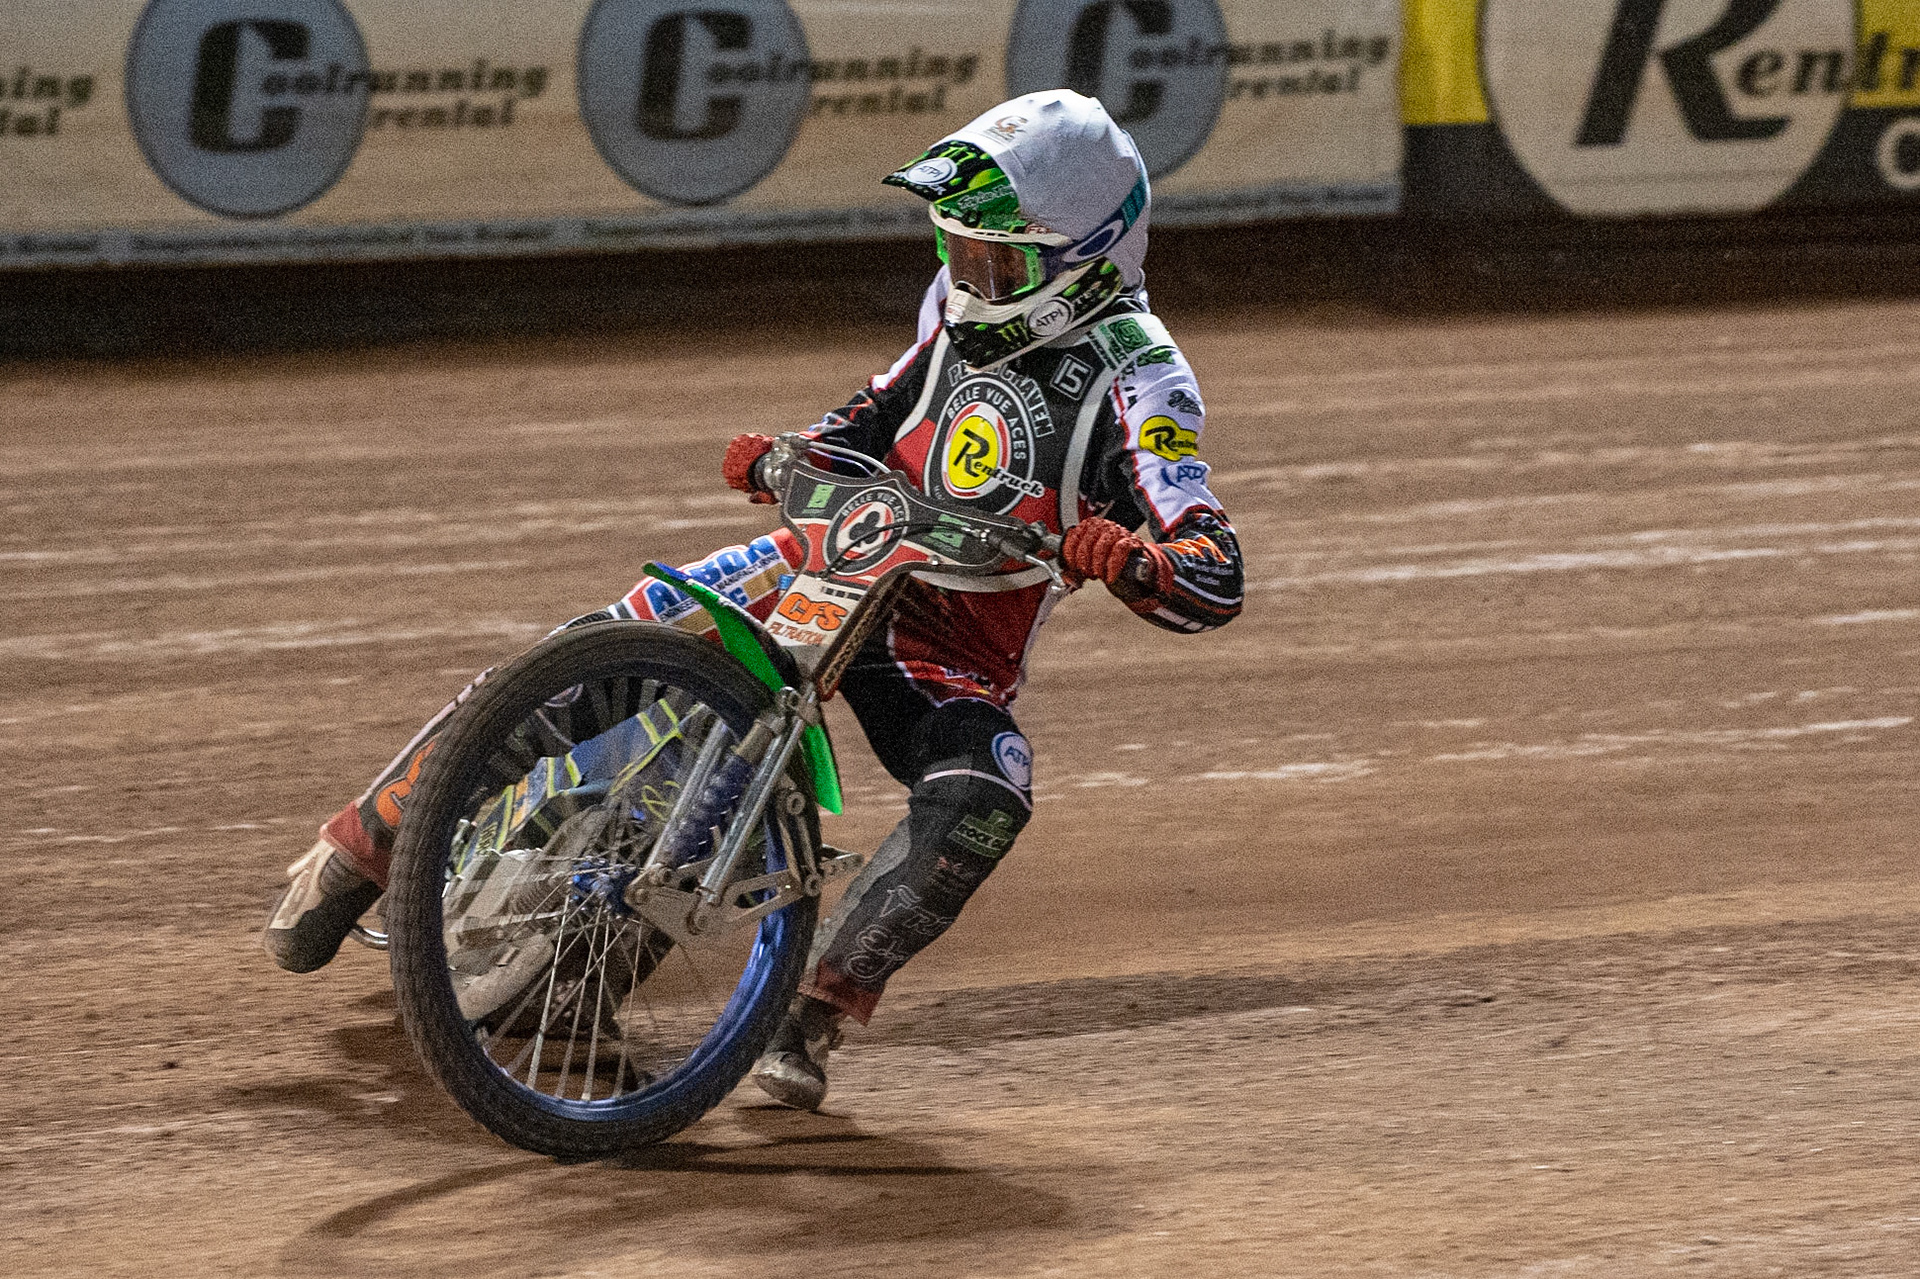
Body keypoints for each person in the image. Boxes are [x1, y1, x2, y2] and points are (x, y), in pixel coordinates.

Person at [265, 89, 1244, 1111]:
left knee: (985, 792)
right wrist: (795, 452)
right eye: (956, 250)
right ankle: (359, 847)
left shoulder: (1144, 377)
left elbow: (1213, 562)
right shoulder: (958, 312)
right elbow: (878, 409)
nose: (966, 278)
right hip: (825, 559)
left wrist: (1138, 562)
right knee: (617, 636)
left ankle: (815, 1006)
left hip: (946, 640)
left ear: (1085, 257)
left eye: (995, 261)